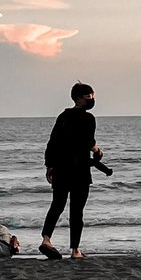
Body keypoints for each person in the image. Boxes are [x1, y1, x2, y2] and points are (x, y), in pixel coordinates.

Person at [40, 83, 102, 260]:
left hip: (60, 168)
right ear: (78, 98)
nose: (92, 99)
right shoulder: (88, 119)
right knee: (77, 211)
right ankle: (75, 250)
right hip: (80, 170)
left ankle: (46, 239)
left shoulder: (63, 117)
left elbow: (52, 142)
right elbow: (88, 142)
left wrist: (49, 166)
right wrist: (97, 151)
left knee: (57, 205)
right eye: (89, 96)